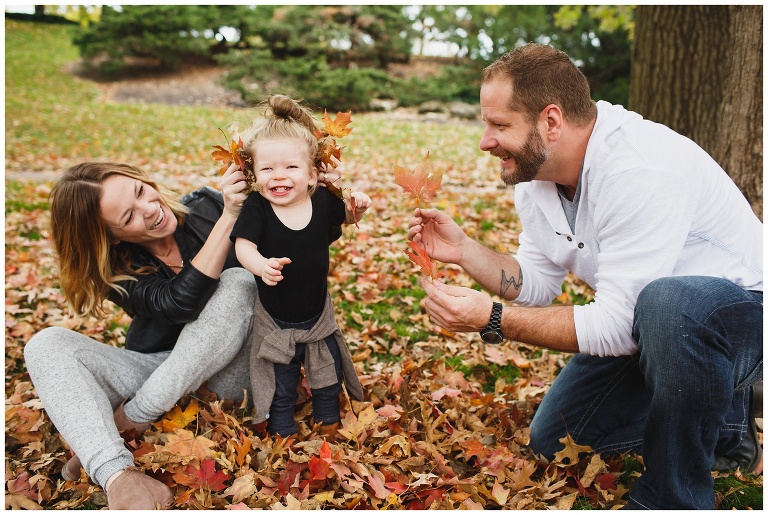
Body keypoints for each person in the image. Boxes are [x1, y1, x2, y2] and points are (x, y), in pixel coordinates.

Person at [407, 43, 763, 509]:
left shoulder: (639, 168)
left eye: (499, 125)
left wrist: (492, 318)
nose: (485, 141)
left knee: (668, 302)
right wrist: (465, 252)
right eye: (484, 124)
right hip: (652, 327)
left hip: (741, 316)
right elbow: (536, 281)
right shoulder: (536, 175)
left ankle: (672, 496)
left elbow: (616, 325)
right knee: (555, 441)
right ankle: (725, 427)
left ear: (551, 121)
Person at [23, 160, 340, 509]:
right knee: (46, 343)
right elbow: (178, 304)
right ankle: (114, 472)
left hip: (236, 370)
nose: (149, 209)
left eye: (141, 191)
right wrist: (228, 221)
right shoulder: (117, 269)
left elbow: (298, 236)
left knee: (237, 282)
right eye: (128, 217)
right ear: (111, 236)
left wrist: (317, 190)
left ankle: (130, 420)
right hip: (163, 368)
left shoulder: (209, 205)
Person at [230, 95, 368, 439]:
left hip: (317, 314)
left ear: (311, 175)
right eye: (267, 169)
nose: (279, 176)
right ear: (253, 175)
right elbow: (243, 245)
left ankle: (328, 419)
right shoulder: (258, 208)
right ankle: (281, 428)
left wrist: (357, 210)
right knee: (281, 378)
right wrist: (261, 266)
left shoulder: (321, 201)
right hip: (276, 319)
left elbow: (345, 218)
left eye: (291, 167)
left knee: (326, 370)